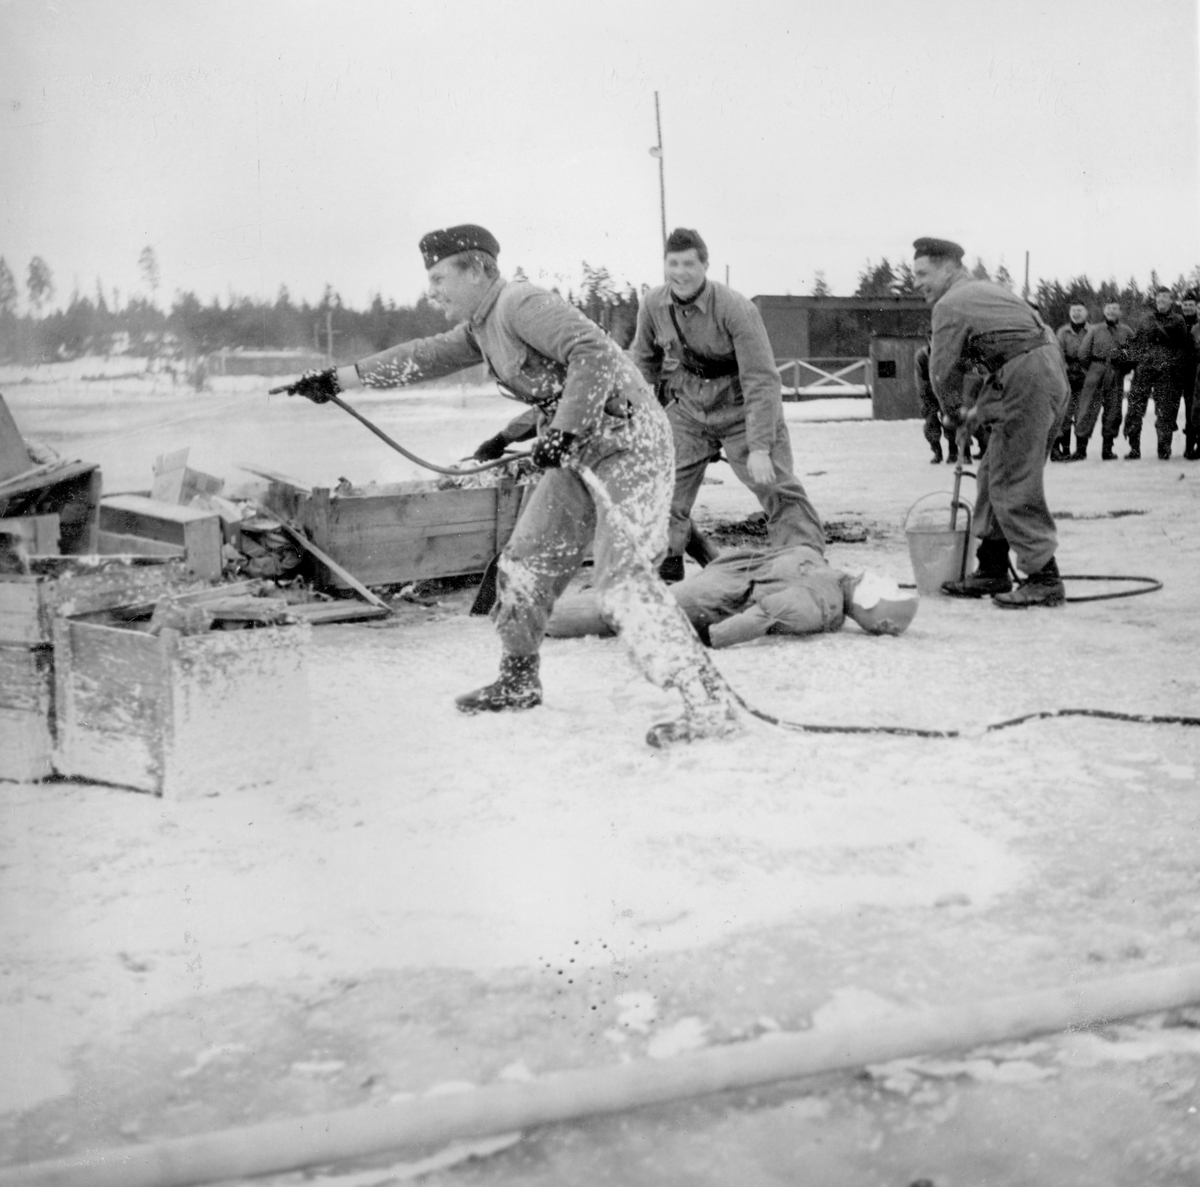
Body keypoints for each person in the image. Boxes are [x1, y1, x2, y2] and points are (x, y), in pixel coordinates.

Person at [282, 224, 740, 747]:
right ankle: (518, 678)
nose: (432, 292)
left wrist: (564, 429)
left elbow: (591, 352)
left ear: (477, 270)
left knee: (622, 583)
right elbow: (425, 356)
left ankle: (707, 703)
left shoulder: (520, 303)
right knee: (525, 562)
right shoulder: (482, 326)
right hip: (578, 450)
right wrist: (341, 379)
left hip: (629, 447)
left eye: (439, 278)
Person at [629, 227, 825, 582]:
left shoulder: (736, 308)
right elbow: (644, 362)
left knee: (774, 484)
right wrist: (641, 415)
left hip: (739, 406)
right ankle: (666, 564)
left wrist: (761, 446)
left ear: (705, 264)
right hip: (689, 404)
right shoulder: (653, 305)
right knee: (663, 481)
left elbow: (761, 378)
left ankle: (804, 562)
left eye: (689, 263)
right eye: (673, 263)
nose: (680, 272)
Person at [912, 237, 1069, 608]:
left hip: (1026, 377)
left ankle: (1044, 576)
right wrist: (978, 411)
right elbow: (1003, 353)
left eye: (923, 273)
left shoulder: (950, 304)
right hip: (1037, 371)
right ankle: (992, 567)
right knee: (994, 471)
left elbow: (941, 371)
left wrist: (951, 414)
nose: (916, 282)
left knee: (1012, 477)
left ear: (948, 268)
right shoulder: (984, 290)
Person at [545, 522, 918, 646]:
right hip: (713, 598)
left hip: (723, 571)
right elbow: (764, 614)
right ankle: (532, 613)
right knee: (621, 614)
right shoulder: (820, 605)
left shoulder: (815, 560)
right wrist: (713, 639)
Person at [1124, 286, 1191, 460]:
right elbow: (1137, 343)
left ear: (1171, 301)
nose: (1161, 301)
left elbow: (1182, 348)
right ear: (1155, 300)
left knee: (1165, 411)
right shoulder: (1145, 319)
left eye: (1165, 298)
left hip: (1166, 371)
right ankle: (1134, 448)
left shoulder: (1178, 320)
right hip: (1144, 369)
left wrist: (1176, 372)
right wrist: (1133, 363)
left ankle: (1164, 447)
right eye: (1158, 298)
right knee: (1134, 408)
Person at [1076, 302, 1135, 460]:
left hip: (1116, 371)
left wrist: (1124, 368)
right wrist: (1094, 369)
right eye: (1108, 308)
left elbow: (1134, 354)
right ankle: (1081, 449)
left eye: (1114, 308)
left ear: (1120, 311)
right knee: (1087, 408)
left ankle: (1107, 449)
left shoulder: (1127, 331)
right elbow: (1083, 353)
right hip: (1096, 369)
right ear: (1104, 310)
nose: (1111, 311)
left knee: (1114, 410)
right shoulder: (1095, 330)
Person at [1052, 302, 1091, 461]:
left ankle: (1081, 450)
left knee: (1083, 414)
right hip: (1066, 378)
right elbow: (1057, 352)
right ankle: (1065, 449)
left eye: (1079, 311)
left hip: (1085, 378)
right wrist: (1067, 368)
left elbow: (1094, 351)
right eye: (1073, 311)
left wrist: (1086, 370)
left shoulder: (1092, 331)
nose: (1076, 314)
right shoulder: (1062, 332)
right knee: (1065, 415)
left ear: (1086, 313)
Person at [1181, 289, 1199, 460]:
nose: (1187, 308)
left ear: (1196, 306)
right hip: (1183, 372)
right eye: (1185, 305)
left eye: (1191, 305)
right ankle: (1188, 446)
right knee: (1189, 409)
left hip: (1197, 371)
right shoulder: (1177, 323)